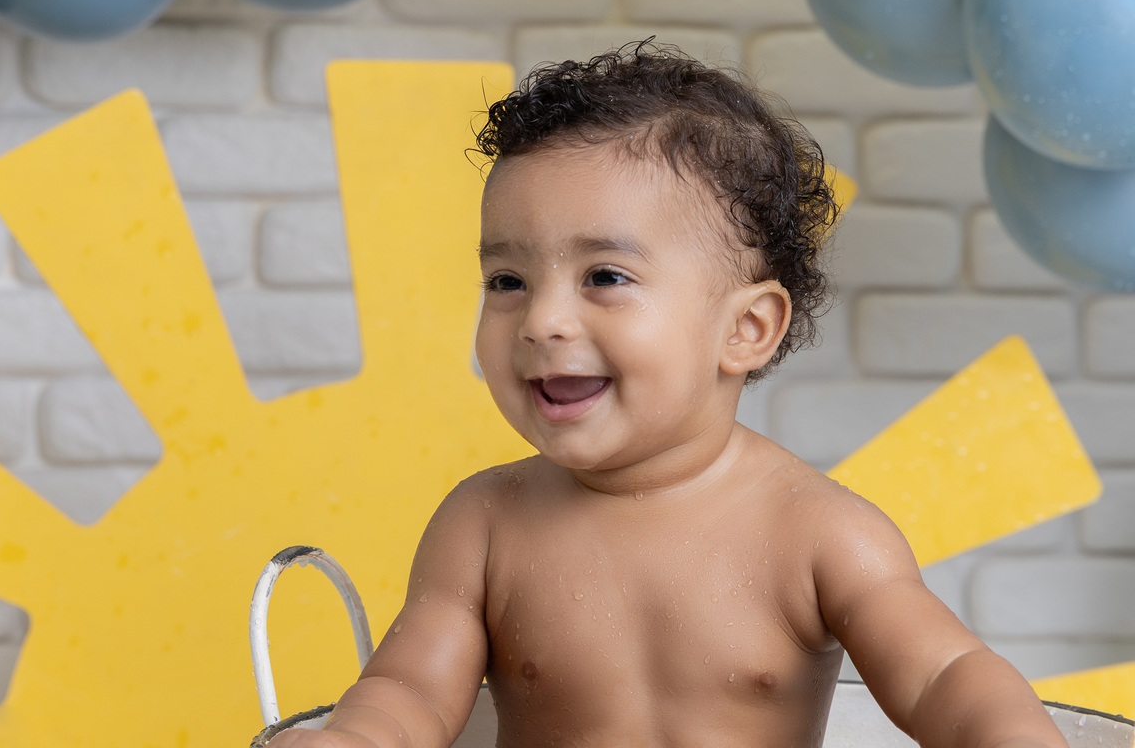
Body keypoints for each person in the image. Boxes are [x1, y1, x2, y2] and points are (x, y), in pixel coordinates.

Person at [271, 43, 1068, 748]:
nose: (542, 320)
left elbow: (942, 676)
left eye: (605, 277)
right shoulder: (483, 525)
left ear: (746, 328)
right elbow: (411, 690)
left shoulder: (820, 533)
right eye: (507, 280)